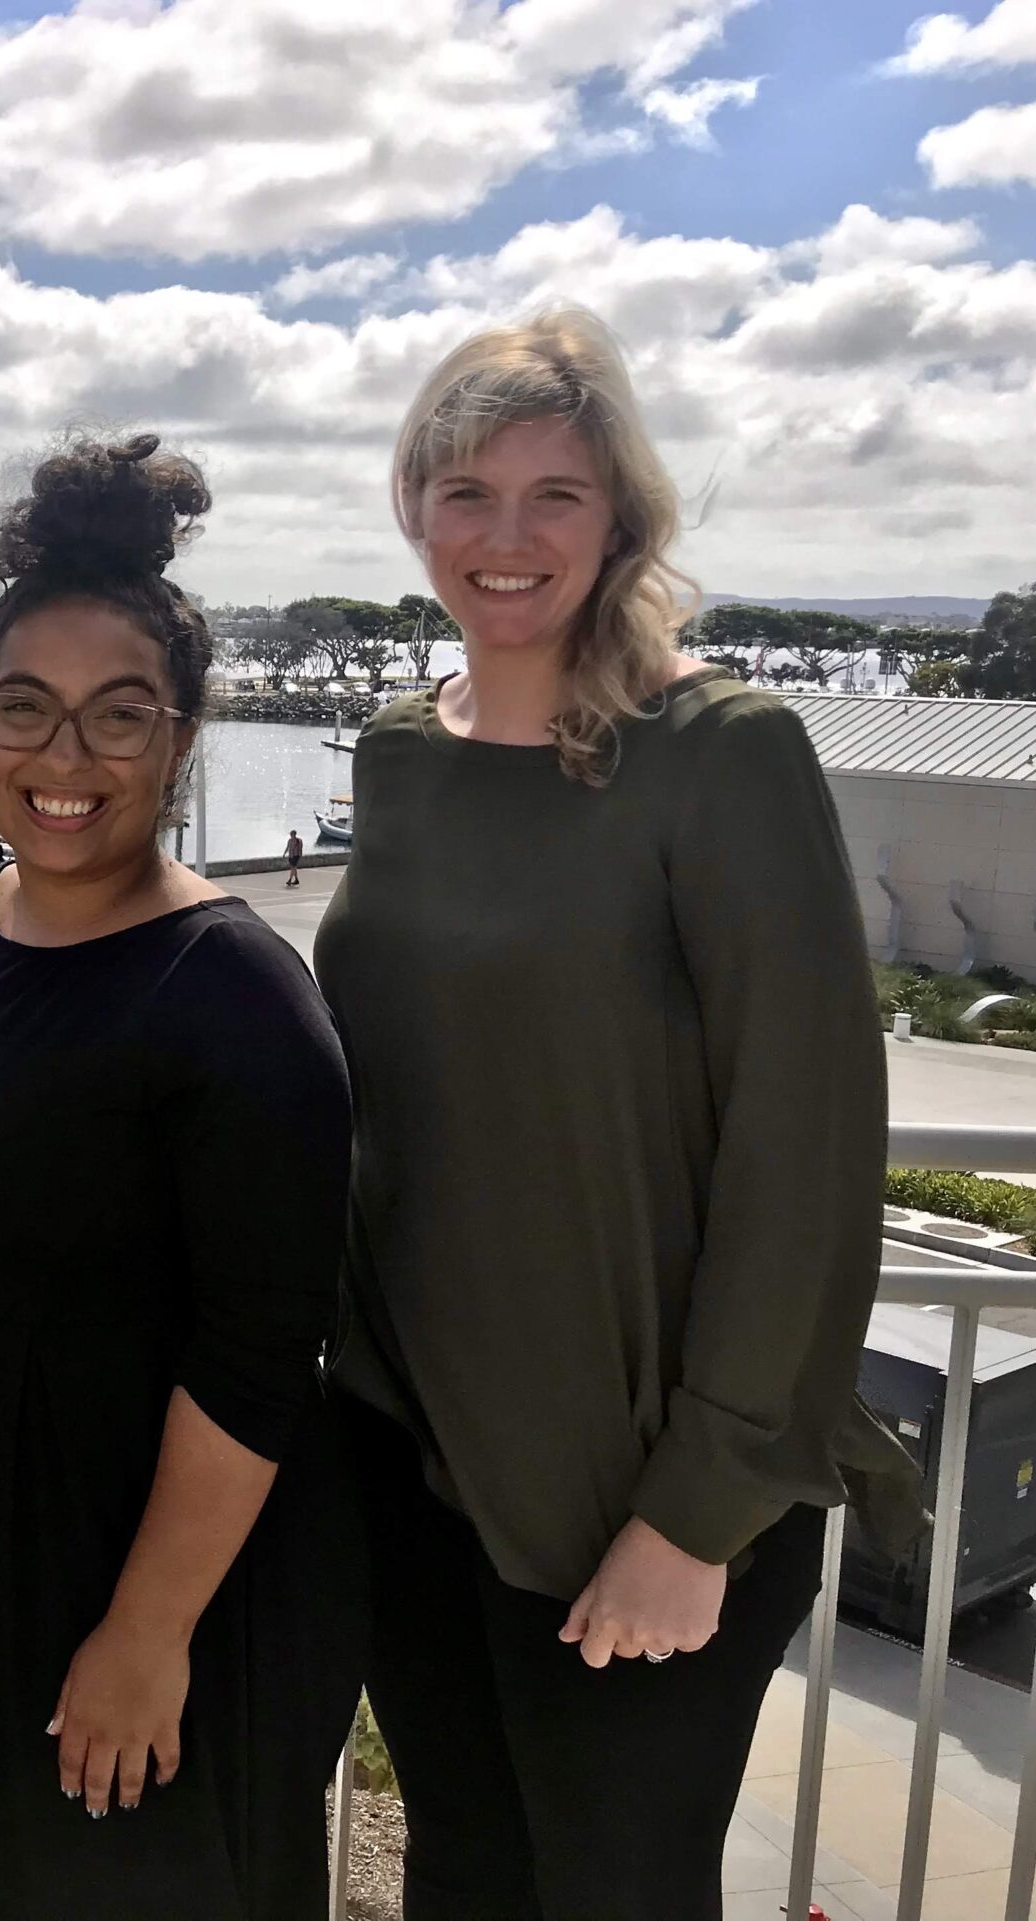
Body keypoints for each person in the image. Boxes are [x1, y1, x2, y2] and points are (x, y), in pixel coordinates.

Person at [313, 307, 893, 1919]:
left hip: (630, 1491)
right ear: (414, 508)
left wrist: (695, 1510)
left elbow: (807, 1147)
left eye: (553, 494)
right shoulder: (396, 755)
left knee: (612, 1889)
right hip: (411, 1456)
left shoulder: (719, 756)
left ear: (620, 515)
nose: (506, 536)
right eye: (466, 491)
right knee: (469, 1883)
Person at [0, 435, 359, 1921]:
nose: (64, 762)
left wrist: (145, 1629)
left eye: (119, 719)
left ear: (181, 738)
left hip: (134, 1583)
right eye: (22, 711)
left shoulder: (236, 995)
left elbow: (259, 1356)